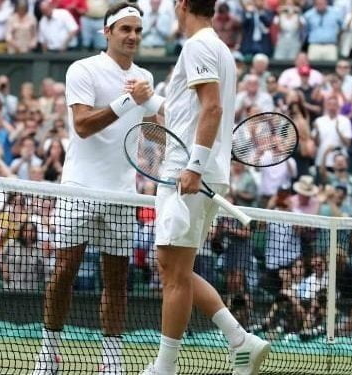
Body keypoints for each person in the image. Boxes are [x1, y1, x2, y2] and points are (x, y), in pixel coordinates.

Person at [138, 0, 270, 373]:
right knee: (171, 266)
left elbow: (211, 109)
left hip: (187, 173)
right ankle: (240, 340)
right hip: (193, 171)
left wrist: (193, 167)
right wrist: (147, 98)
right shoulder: (217, 48)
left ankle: (165, 367)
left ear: (181, 4)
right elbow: (187, 109)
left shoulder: (198, 46)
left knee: (175, 273)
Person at [33, 3, 157, 374]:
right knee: (65, 270)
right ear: (107, 32)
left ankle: (111, 362)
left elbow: (152, 131)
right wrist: (127, 100)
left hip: (122, 193)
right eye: (125, 30)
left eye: (137, 30)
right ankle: (49, 351)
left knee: (117, 279)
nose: (132, 36)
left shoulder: (145, 77)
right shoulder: (83, 69)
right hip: (80, 188)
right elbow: (83, 125)